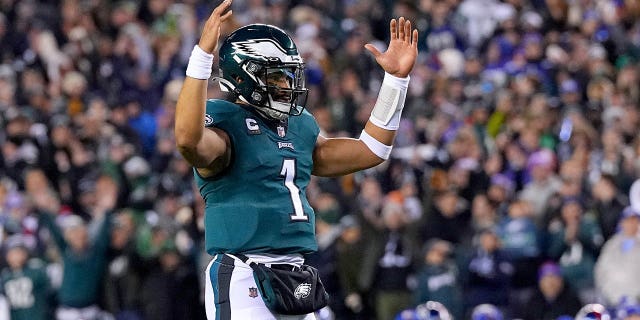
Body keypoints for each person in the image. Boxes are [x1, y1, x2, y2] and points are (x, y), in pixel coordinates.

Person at [174, 0, 418, 319]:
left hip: (297, 276)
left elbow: (372, 150)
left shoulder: (298, 125)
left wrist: (396, 81)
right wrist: (201, 59)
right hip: (244, 272)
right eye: (277, 78)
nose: (288, 85)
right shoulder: (225, 124)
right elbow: (188, 140)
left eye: (290, 75)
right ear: (245, 78)